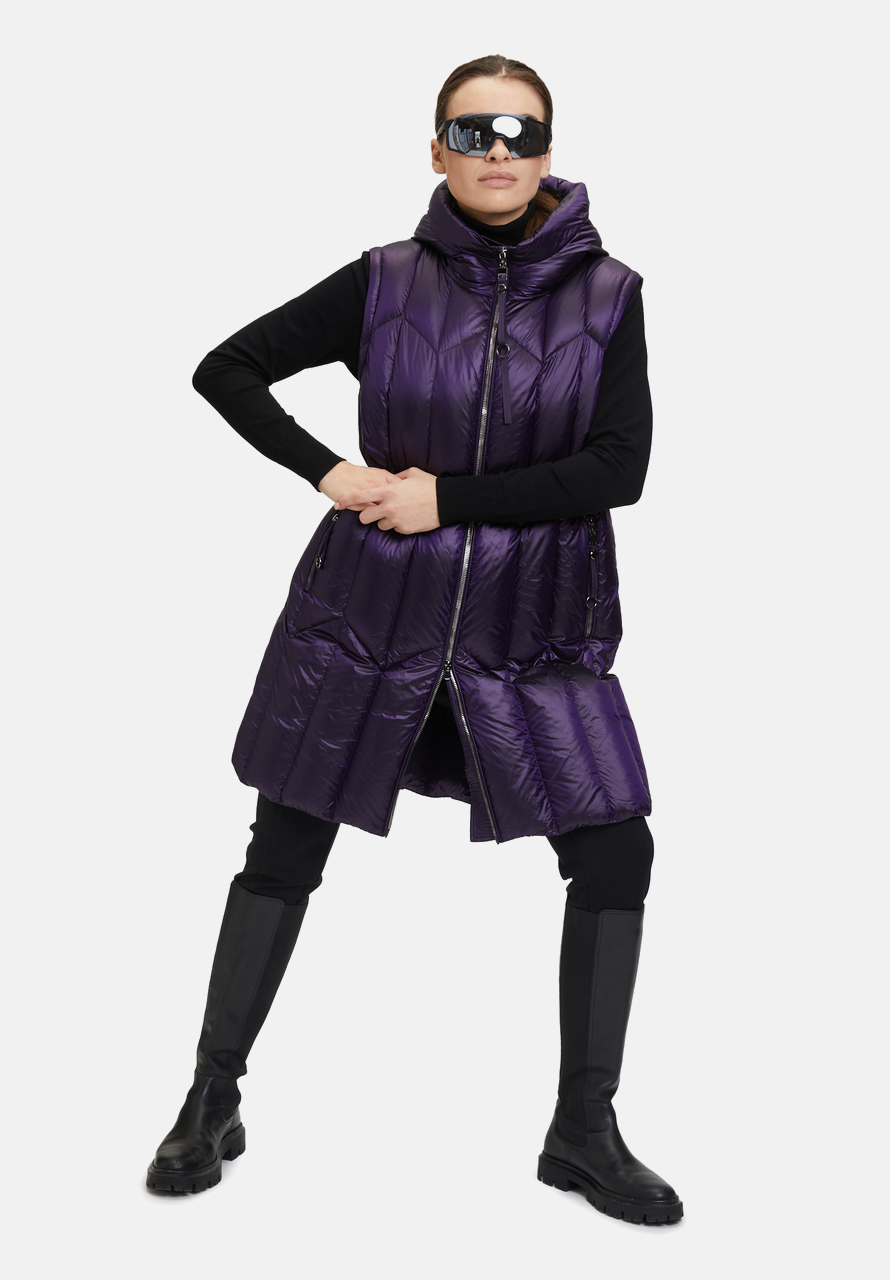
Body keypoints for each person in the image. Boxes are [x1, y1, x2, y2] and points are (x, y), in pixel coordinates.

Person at [146, 54, 683, 1225]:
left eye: (519, 132)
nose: (497, 151)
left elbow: (618, 468)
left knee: (613, 852)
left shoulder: (609, 295)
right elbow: (227, 369)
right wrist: (327, 471)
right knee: (284, 840)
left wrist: (450, 499)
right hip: (368, 614)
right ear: (436, 149)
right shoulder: (384, 281)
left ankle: (582, 1130)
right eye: (471, 131)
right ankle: (209, 1097)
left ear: (548, 152)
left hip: (531, 624)